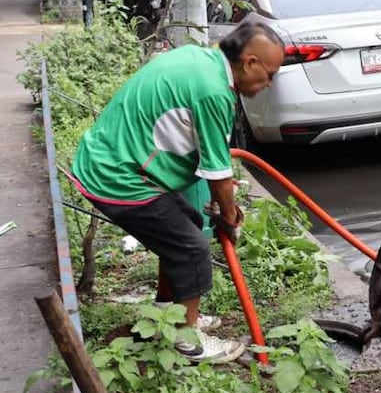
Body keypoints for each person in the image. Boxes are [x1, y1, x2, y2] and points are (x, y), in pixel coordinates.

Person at [70, 22, 285, 363]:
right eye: (270, 74)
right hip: (118, 176)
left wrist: (224, 209)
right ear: (250, 62)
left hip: (112, 159)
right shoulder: (214, 91)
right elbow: (217, 169)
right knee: (191, 247)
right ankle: (188, 341)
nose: (269, 83)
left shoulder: (198, 59)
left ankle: (164, 315)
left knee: (185, 221)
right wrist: (230, 219)